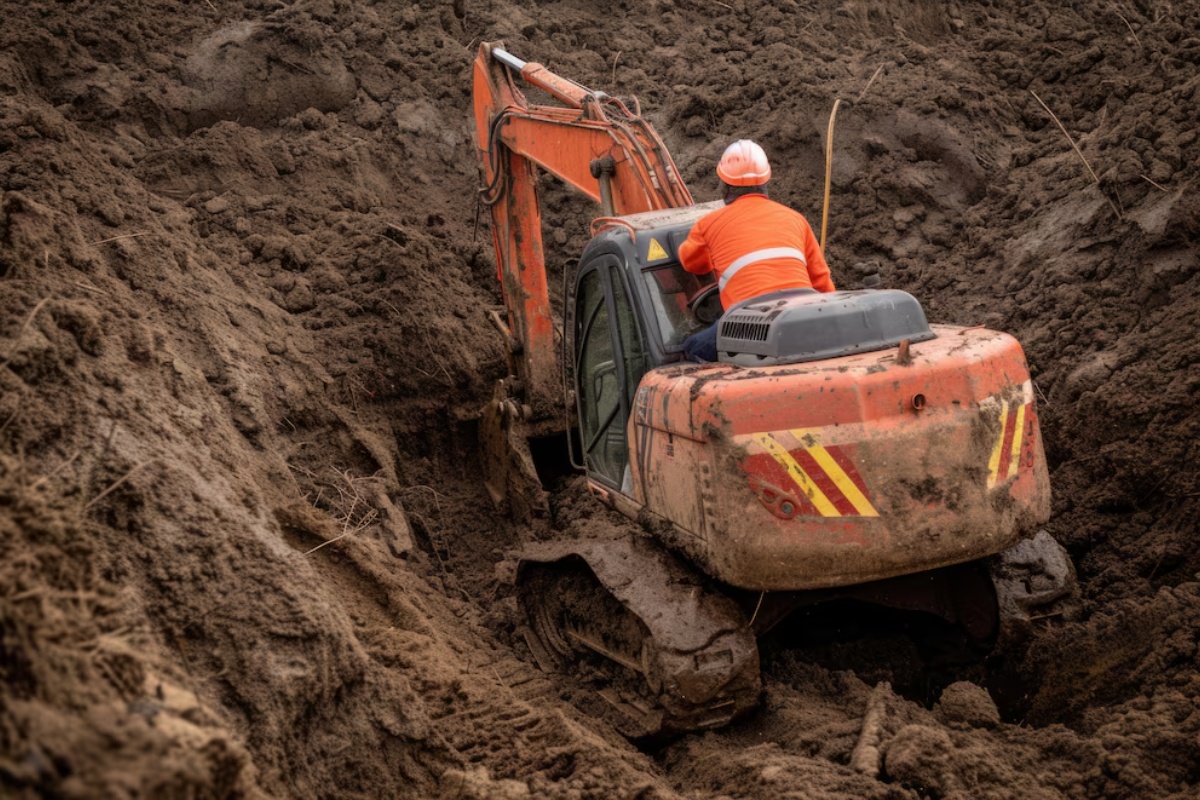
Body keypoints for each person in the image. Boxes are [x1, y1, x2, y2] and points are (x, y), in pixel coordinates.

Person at [679, 139, 835, 362]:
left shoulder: (708, 225)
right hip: (803, 318)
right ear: (766, 180)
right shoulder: (796, 219)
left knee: (693, 348)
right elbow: (821, 281)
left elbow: (690, 263)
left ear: (723, 185)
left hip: (750, 325)